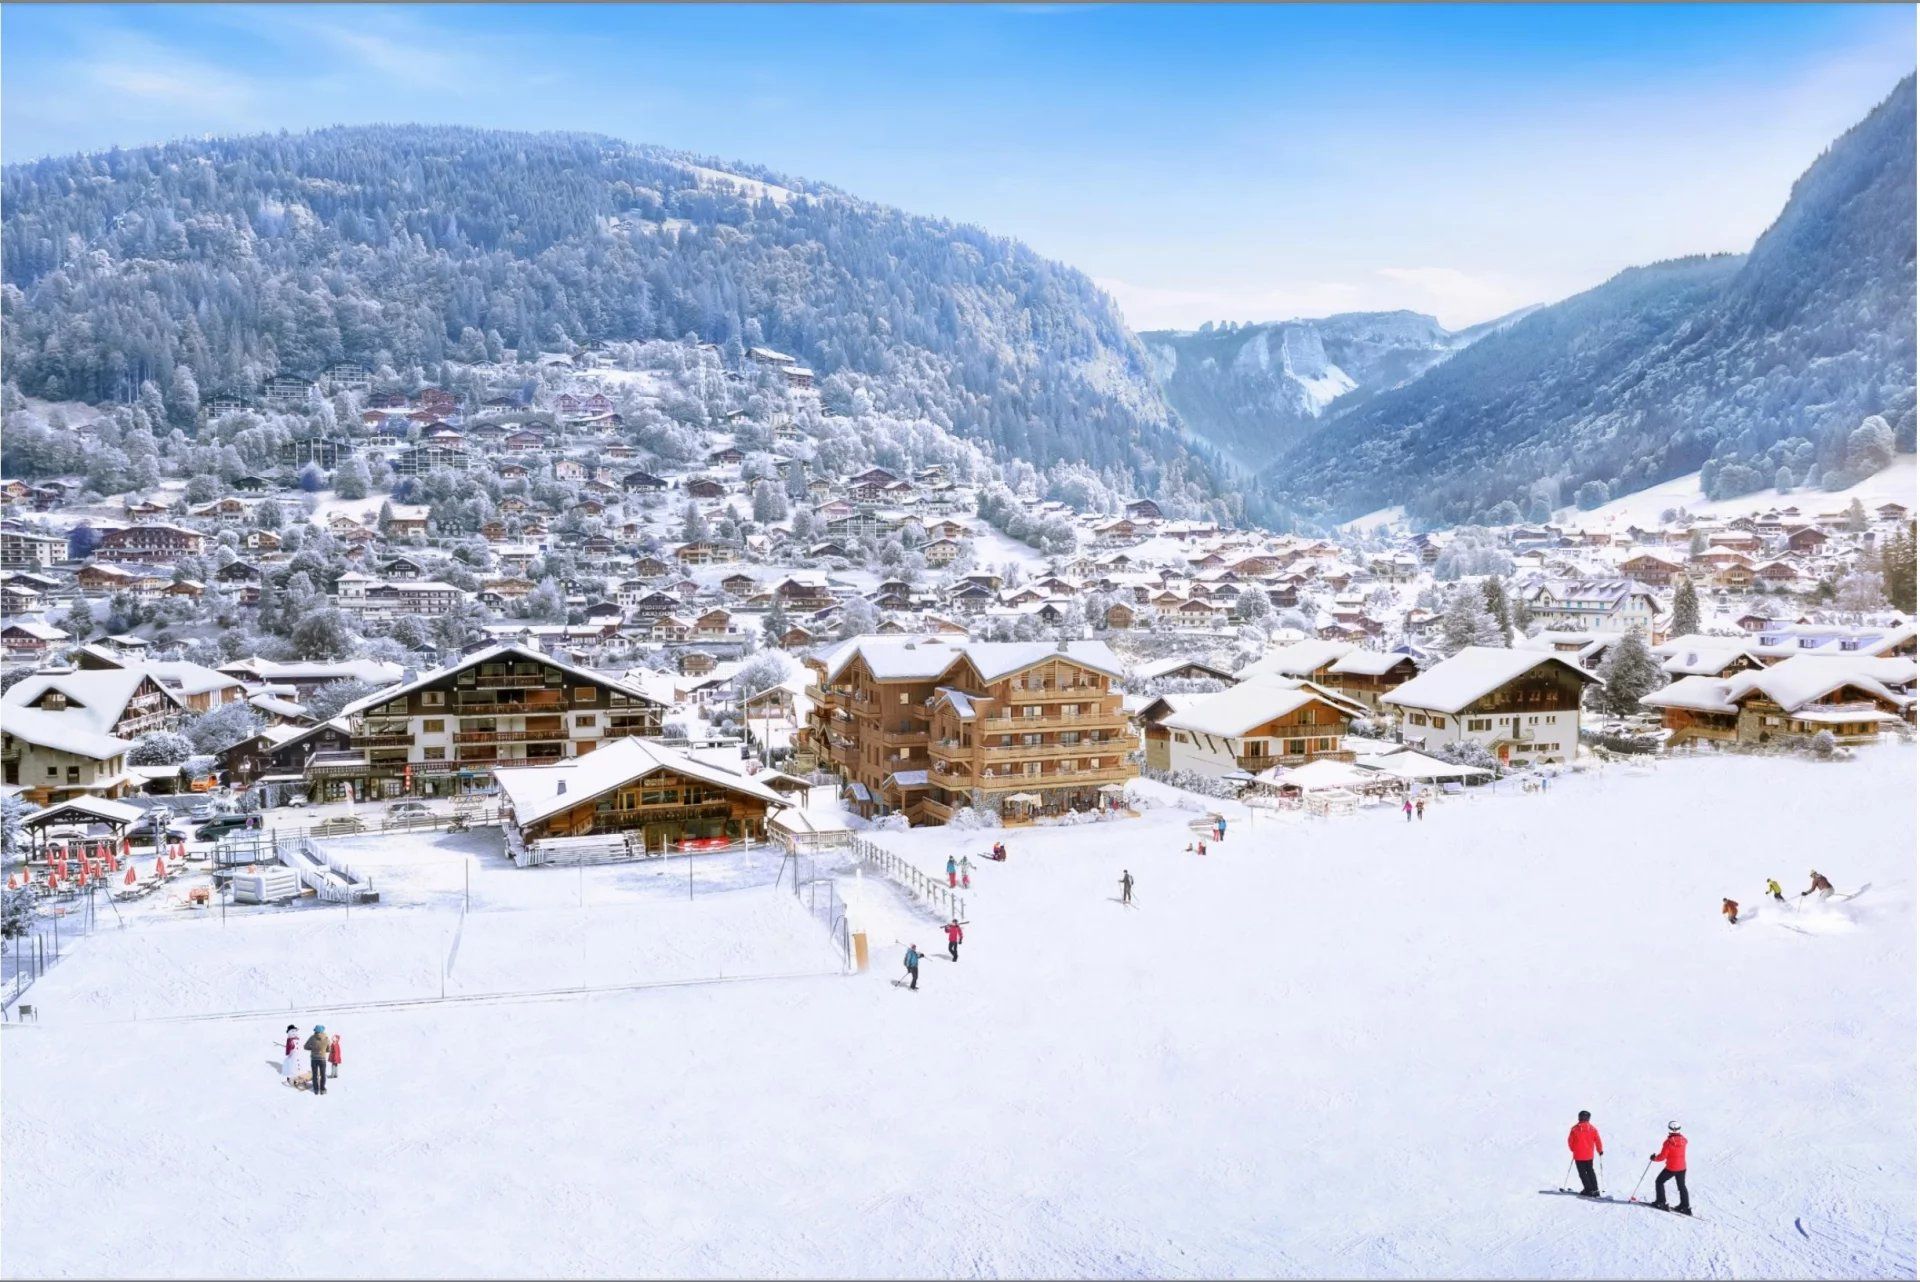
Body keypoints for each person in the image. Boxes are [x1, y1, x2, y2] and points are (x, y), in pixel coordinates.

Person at [1650, 1122, 1690, 1215]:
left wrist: (1654, 1158)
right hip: (1682, 1167)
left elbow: (1662, 1157)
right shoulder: (1684, 1140)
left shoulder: (1668, 1143)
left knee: (1659, 1182)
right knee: (1682, 1186)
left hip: (1671, 1168)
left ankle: (1661, 1202)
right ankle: (1685, 1207)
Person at [1568, 1110, 1604, 1197]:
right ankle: (1595, 1189)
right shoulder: (1593, 1129)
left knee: (1582, 1173)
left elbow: (1570, 1141)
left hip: (1579, 1155)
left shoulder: (1574, 1129)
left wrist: (1574, 1149)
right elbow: (1598, 1140)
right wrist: (1599, 1150)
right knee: (1590, 1171)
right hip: (1589, 1155)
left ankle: (1588, 1189)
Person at [303, 1025, 332, 1096]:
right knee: (323, 1074)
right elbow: (329, 1049)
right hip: (322, 1059)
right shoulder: (326, 1038)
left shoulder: (312, 1038)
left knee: (315, 1074)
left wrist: (312, 1049)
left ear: (315, 1031)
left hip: (314, 1059)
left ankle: (316, 1089)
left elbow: (305, 1047)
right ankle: (322, 1089)